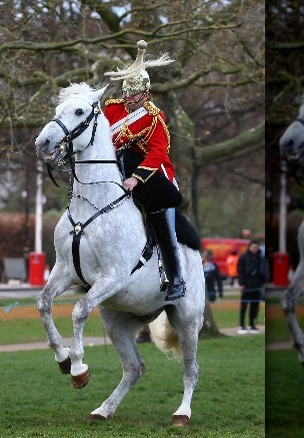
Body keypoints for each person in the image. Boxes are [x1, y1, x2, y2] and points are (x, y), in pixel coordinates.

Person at [103, 40, 186, 301]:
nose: (128, 98)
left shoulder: (153, 118)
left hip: (153, 176)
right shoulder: (112, 109)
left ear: (145, 94)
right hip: (118, 169)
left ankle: (176, 279)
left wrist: (136, 179)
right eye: (126, 93)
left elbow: (158, 152)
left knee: (163, 225)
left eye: (134, 94)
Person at [238, 242, 264, 334]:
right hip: (246, 285)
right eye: (253, 247)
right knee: (244, 306)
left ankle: (252, 324)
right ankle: (241, 325)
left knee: (254, 306)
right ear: (249, 247)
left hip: (257, 285)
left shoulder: (259, 258)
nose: (255, 249)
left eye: (256, 247)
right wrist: (241, 284)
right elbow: (240, 271)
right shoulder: (243, 257)